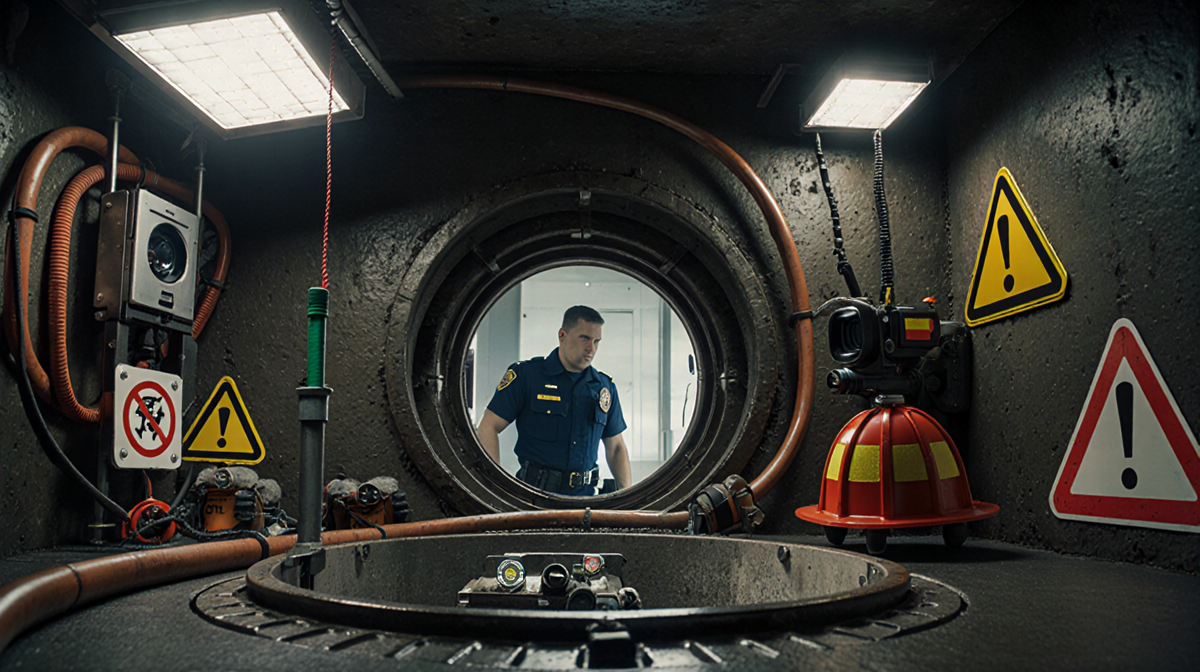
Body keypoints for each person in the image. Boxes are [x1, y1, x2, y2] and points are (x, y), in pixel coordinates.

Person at [476, 305, 633, 496]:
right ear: (562, 335)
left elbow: (616, 447)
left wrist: (626, 497)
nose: (591, 348)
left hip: (585, 501)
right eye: (584, 338)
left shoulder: (603, 387)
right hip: (533, 498)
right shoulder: (527, 376)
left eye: (596, 341)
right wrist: (495, 485)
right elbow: (488, 427)